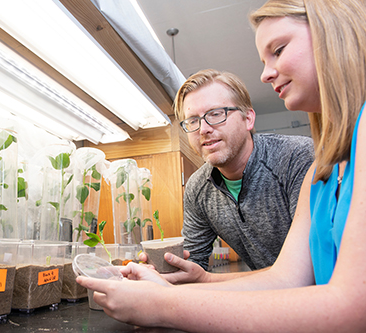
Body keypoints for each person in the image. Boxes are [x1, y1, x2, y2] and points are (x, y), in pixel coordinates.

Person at [76, 0, 366, 331]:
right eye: (193, 121)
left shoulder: (302, 159)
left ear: (249, 119)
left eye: (280, 49)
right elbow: (284, 278)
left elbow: (348, 304)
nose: (266, 73)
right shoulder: (324, 168)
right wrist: (167, 284)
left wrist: (162, 304)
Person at [173, 69, 314, 276]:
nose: (203, 129)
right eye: (193, 120)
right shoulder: (197, 188)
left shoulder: (296, 158)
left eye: (215, 114)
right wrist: (165, 269)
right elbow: (192, 263)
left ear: (248, 119)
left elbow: (306, 273)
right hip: (269, 296)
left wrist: (206, 280)